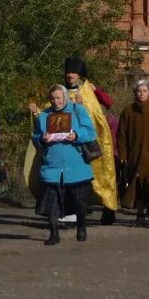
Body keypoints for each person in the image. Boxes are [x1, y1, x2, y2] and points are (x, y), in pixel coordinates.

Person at [28, 56, 119, 225]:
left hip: (90, 141)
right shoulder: (59, 92)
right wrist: (36, 112)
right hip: (66, 146)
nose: (70, 74)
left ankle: (108, 209)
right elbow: (49, 115)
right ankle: (70, 213)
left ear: (80, 74)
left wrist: (94, 94)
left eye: (74, 72)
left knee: (101, 176)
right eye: (68, 71)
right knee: (68, 178)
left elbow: (106, 105)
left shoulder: (87, 90)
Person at [33, 84, 97, 245]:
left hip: (76, 165)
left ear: (65, 98)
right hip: (52, 166)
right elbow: (36, 137)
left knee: (79, 201)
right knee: (51, 203)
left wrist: (76, 134)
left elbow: (91, 132)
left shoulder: (78, 110)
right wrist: (42, 139)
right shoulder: (44, 116)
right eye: (53, 98)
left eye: (58, 98)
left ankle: (81, 226)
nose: (56, 101)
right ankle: (54, 233)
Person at [117, 80, 149, 227]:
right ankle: (140, 215)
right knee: (136, 186)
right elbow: (121, 135)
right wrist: (123, 154)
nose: (141, 93)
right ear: (135, 93)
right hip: (134, 155)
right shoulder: (128, 111)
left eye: (145, 91)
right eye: (139, 91)